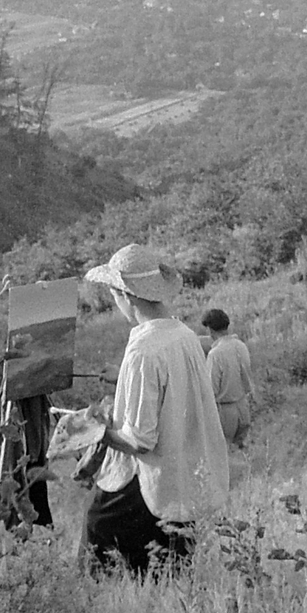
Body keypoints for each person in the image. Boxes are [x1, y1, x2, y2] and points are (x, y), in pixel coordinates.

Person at [82, 244, 230, 576]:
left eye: (114, 294)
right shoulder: (184, 334)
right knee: (169, 574)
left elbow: (140, 441)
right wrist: (123, 379)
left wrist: (89, 430)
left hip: (152, 482)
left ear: (127, 296)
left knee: (98, 534)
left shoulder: (144, 352)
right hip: (186, 477)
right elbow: (171, 389)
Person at [201, 307, 254, 449]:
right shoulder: (241, 346)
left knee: (223, 453)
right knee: (240, 451)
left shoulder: (215, 354)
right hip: (243, 406)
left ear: (209, 330)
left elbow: (211, 390)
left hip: (225, 411)